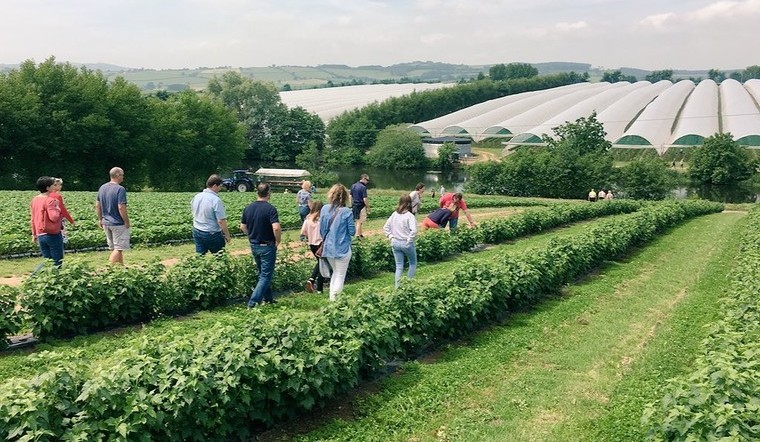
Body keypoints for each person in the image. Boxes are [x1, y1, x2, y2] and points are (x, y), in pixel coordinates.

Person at [241, 183, 282, 308]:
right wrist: (277, 241)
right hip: (267, 245)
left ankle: (268, 299)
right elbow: (276, 228)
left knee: (262, 273)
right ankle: (253, 303)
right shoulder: (270, 209)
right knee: (266, 275)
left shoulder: (248, 208)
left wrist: (251, 235)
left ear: (257, 192)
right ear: (269, 193)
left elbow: (242, 227)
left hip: (254, 244)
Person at [320, 184, 355, 301]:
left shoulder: (325, 209)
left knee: (335, 273)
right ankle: (336, 300)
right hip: (342, 247)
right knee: (340, 275)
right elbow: (352, 232)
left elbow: (322, 229)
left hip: (328, 247)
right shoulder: (346, 212)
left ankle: (332, 299)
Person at [96, 167, 130, 265]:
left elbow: (98, 205)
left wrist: (100, 219)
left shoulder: (102, 187)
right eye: (122, 175)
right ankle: (109, 268)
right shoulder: (120, 189)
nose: (123, 177)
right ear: (117, 175)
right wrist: (126, 221)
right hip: (117, 223)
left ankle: (120, 268)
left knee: (115, 248)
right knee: (119, 248)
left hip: (106, 222)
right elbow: (121, 207)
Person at [190, 174, 232, 255]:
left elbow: (192, 209)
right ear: (215, 185)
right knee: (220, 257)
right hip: (211, 233)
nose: (220, 188)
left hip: (197, 230)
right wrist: (227, 235)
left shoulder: (197, 196)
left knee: (199, 256)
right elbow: (221, 221)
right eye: (220, 186)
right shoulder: (216, 200)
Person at [383, 195, 418, 288]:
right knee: (412, 263)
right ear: (409, 204)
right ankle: (408, 284)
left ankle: (397, 287)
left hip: (395, 242)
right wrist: (409, 240)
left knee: (399, 266)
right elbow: (414, 230)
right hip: (406, 242)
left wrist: (391, 237)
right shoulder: (410, 216)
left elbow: (386, 227)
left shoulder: (394, 214)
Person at [30, 176, 64, 267]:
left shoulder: (35, 200)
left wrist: (34, 234)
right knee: (57, 261)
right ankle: (34, 277)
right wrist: (57, 208)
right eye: (53, 185)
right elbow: (54, 217)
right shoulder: (51, 200)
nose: (55, 187)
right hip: (52, 234)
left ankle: (39, 279)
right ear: (48, 188)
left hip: (40, 233)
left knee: (47, 261)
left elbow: (33, 218)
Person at [301, 200, 325, 293]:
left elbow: (303, 232)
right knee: (322, 265)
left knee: (320, 263)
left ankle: (311, 280)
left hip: (312, 244)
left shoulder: (308, 219)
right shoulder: (321, 219)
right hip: (320, 244)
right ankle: (318, 288)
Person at [50, 178, 75, 243]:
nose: (61, 186)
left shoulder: (46, 195)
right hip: (58, 219)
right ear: (54, 185)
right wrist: (71, 220)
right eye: (60, 185)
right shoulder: (57, 196)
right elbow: (62, 210)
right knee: (60, 237)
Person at [349, 174, 370, 239]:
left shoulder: (353, 185)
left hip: (354, 205)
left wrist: (351, 205)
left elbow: (350, 196)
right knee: (360, 221)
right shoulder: (363, 187)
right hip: (361, 205)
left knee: (357, 220)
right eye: (367, 180)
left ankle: (360, 234)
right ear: (363, 178)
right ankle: (357, 235)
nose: (367, 182)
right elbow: (365, 199)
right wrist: (368, 207)